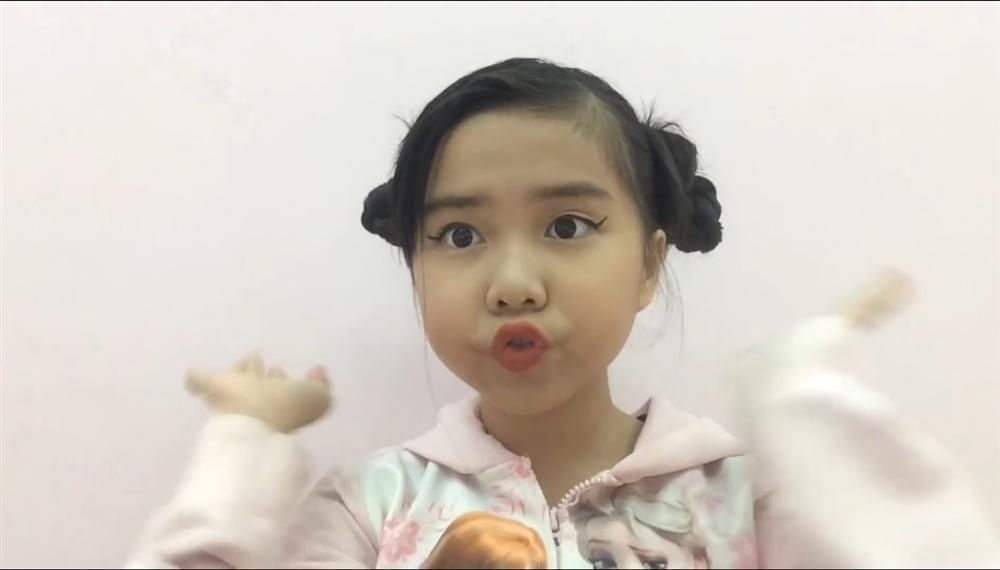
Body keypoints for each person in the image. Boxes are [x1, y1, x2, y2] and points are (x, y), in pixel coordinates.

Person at [127, 58, 1000, 569]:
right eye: (460, 235)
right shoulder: (370, 505)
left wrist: (812, 417)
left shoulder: (742, 498)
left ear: (650, 262)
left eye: (568, 226)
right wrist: (245, 446)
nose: (513, 283)